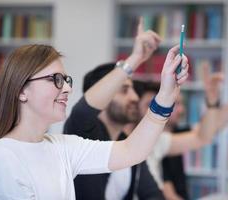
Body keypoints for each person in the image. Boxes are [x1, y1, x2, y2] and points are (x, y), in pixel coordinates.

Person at [0, 19, 190, 200]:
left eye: (67, 80)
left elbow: (132, 151)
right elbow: (86, 111)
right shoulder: (1, 158)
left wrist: (165, 95)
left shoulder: (62, 147)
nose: (68, 88)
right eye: (56, 80)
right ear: (22, 91)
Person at [63, 18, 174, 200]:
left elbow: (153, 195)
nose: (135, 97)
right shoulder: (81, 132)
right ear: (103, 95)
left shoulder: (127, 142)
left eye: (132, 90)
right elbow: (83, 111)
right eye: (124, 90)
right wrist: (136, 58)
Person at [124, 55, 228, 200]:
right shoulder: (148, 143)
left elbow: (211, 128)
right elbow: (168, 195)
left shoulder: (167, 137)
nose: (181, 110)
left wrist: (216, 101)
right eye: (175, 104)